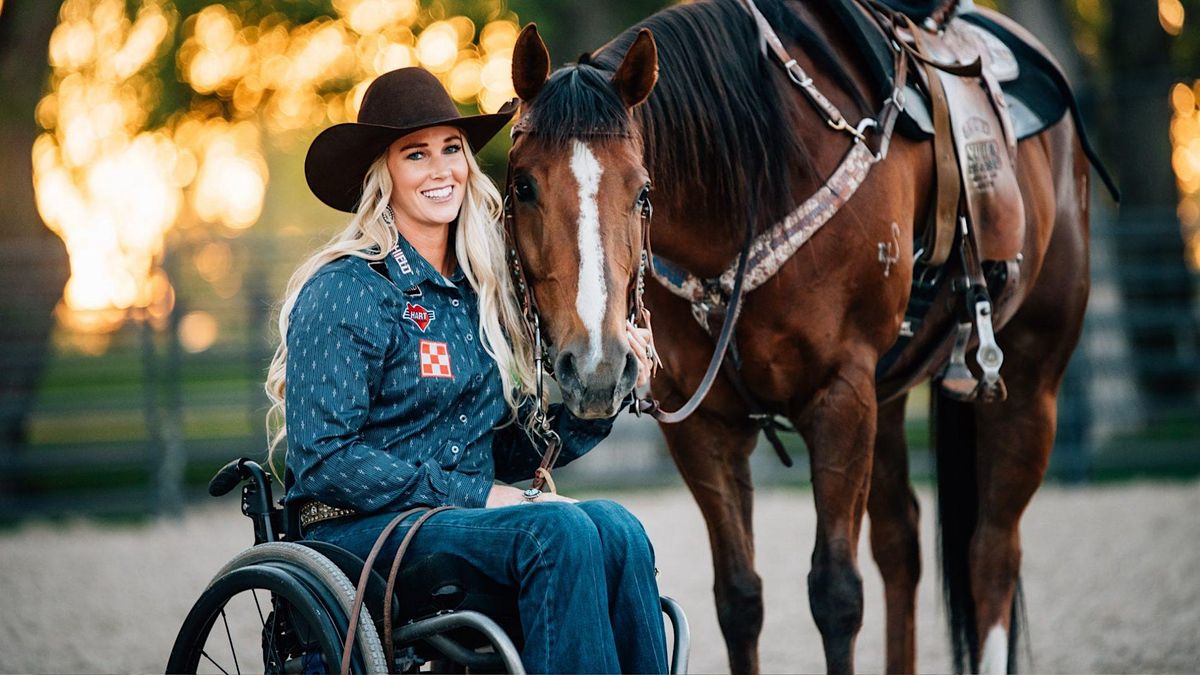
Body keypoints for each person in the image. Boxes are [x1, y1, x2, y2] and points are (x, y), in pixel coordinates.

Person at [263, 66, 668, 674]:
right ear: (384, 174)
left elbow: (494, 453)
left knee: (617, 527)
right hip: (360, 537)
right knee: (560, 534)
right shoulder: (345, 290)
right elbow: (324, 461)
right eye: (415, 154)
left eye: (451, 149)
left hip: (456, 528)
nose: (441, 169)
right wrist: (480, 496)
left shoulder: (474, 294)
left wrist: (605, 401)